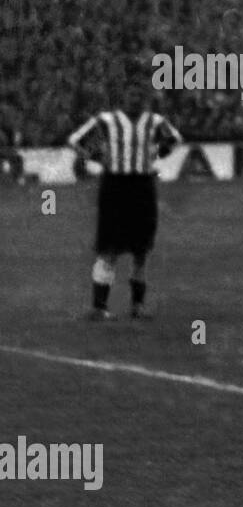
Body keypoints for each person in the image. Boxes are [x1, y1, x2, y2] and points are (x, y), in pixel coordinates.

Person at [66, 55, 184, 321]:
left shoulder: (154, 122)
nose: (134, 99)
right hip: (115, 186)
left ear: (144, 97)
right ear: (123, 96)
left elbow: (175, 139)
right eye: (131, 94)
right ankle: (99, 307)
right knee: (108, 247)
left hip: (142, 186)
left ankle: (138, 306)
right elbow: (74, 140)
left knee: (141, 251)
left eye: (139, 95)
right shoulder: (107, 120)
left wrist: (159, 154)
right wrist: (96, 158)